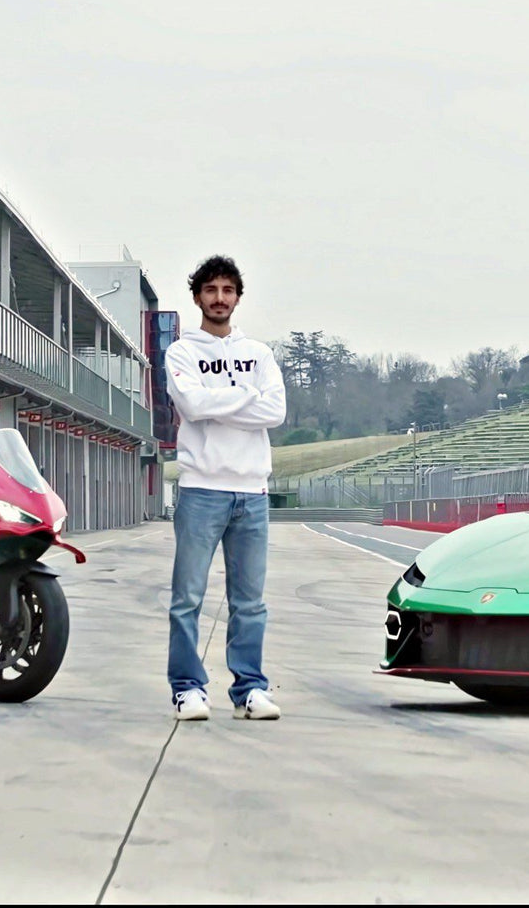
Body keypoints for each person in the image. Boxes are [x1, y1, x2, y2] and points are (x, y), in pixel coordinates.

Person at [163, 255, 287, 721]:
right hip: (201, 489)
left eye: (227, 290)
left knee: (250, 602)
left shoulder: (259, 353)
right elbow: (192, 405)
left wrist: (220, 403)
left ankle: (250, 689)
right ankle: (188, 689)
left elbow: (275, 412)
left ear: (237, 297)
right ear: (197, 297)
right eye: (210, 290)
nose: (219, 298)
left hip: (252, 493)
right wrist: (246, 397)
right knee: (187, 599)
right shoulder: (181, 352)